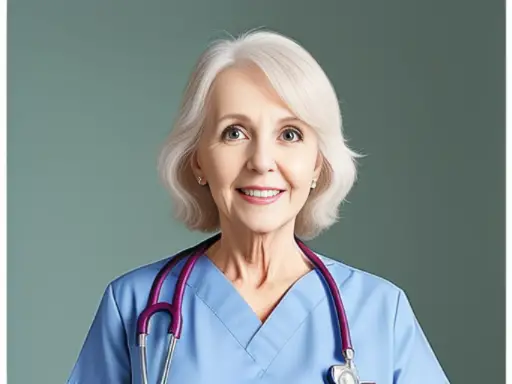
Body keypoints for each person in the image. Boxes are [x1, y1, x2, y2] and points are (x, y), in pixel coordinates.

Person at [67, 29, 449, 383]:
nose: (262, 160)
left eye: (290, 134)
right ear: (198, 159)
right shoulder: (133, 306)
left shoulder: (381, 311)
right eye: (234, 132)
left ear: (317, 163)